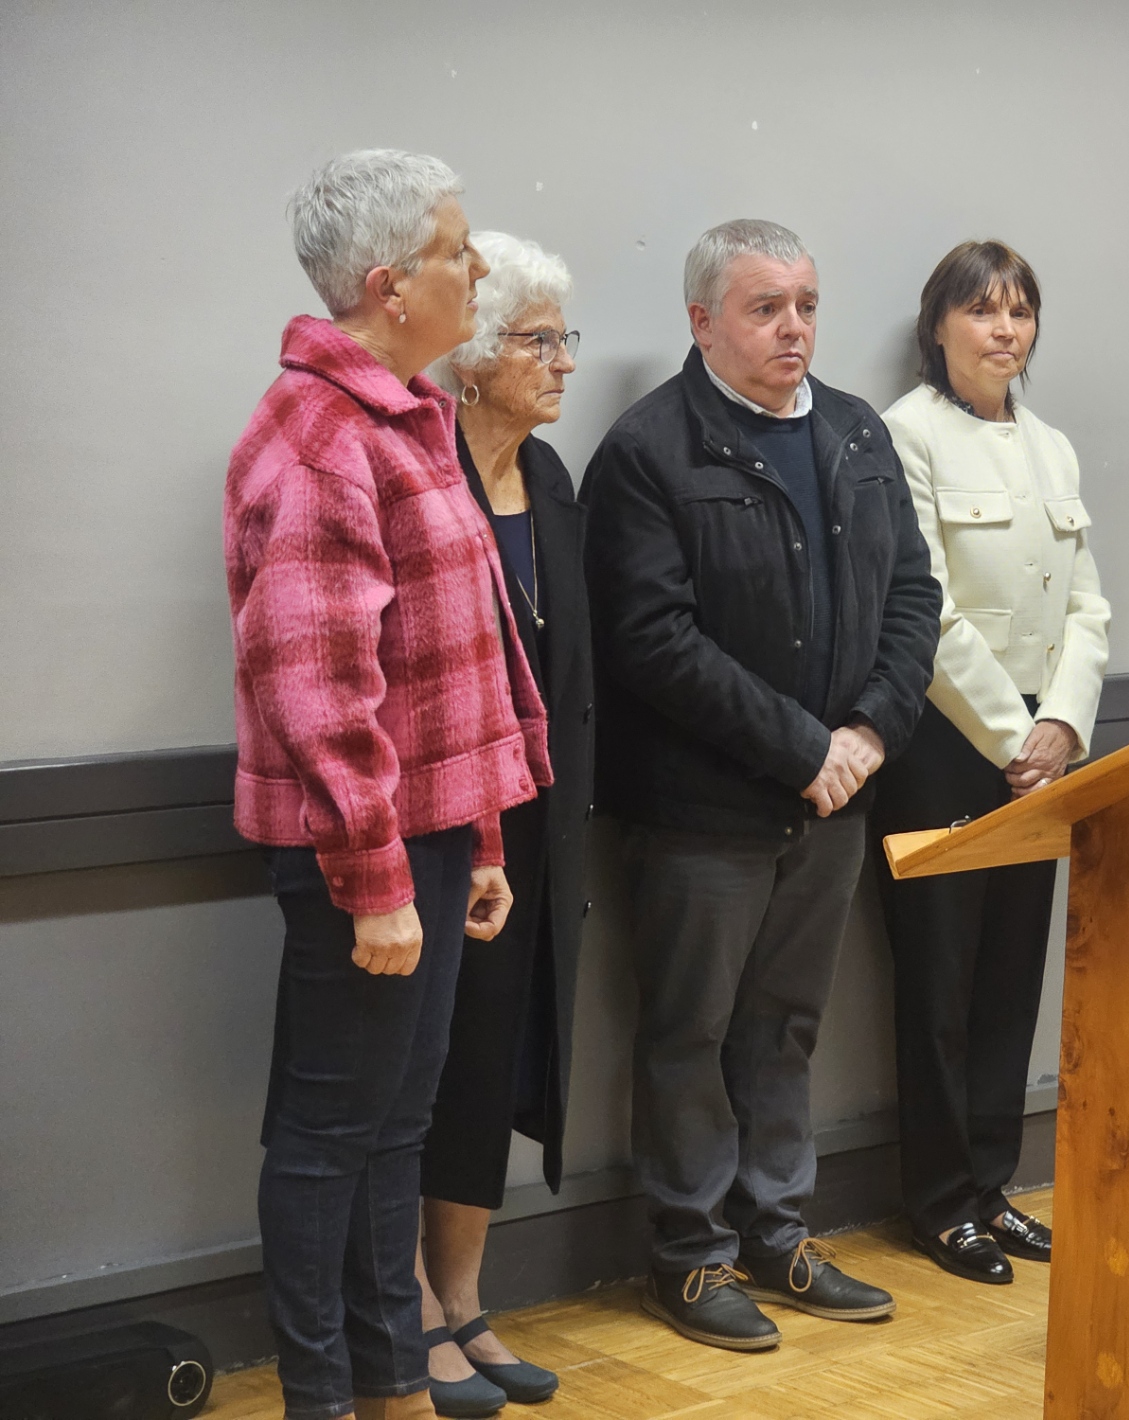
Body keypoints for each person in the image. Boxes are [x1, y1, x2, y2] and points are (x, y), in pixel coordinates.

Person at [226, 150, 551, 1420]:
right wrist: (374, 878)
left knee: (391, 1135)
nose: (475, 269)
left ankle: (391, 1382)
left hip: (420, 839)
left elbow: (448, 669)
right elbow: (320, 686)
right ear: (387, 284)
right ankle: (325, 1397)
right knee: (326, 1144)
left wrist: (474, 841)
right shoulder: (317, 434)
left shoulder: (404, 411)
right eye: (456, 252)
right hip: (357, 850)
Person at [582, 220, 941, 1351]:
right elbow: (652, 641)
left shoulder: (854, 430)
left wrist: (871, 733)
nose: (795, 328)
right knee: (689, 1030)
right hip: (702, 810)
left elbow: (914, 598)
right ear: (701, 320)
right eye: (765, 307)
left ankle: (778, 1230)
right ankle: (692, 1258)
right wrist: (803, 746)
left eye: (807, 304)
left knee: (785, 1027)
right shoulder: (648, 451)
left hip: (837, 798)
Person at [870, 242, 1110, 1284]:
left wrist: (1061, 722)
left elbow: (1090, 607)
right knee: (939, 983)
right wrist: (1014, 737)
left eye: (1020, 312)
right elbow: (923, 605)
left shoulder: (1054, 447)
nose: (1004, 331)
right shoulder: (905, 435)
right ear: (940, 327)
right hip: (944, 747)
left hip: (1042, 750)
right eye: (982, 312)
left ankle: (990, 1184)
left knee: (1013, 975)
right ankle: (936, 1201)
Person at [410, 233, 592, 1418]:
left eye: (563, 338)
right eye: (540, 340)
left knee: (498, 1062)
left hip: (539, 822)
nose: (564, 361)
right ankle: (410, 1316)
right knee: (429, 1067)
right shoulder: (427, 470)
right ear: (473, 362)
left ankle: (466, 1302)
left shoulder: (556, 480)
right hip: (442, 825)